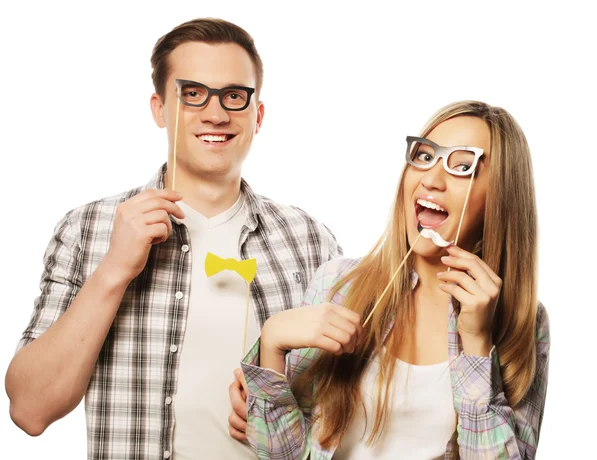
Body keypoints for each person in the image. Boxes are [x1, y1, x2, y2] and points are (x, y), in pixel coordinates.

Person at [5, 18, 342, 460]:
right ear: (160, 108)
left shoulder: (310, 241)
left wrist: (287, 412)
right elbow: (31, 410)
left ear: (257, 115)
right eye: (193, 93)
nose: (216, 113)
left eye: (234, 96)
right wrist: (114, 270)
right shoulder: (87, 229)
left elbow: (349, 411)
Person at [237, 101, 550, 459]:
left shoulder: (524, 319)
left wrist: (478, 343)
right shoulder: (338, 284)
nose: (431, 179)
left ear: (500, 199)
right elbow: (282, 454)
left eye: (463, 166)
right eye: (425, 156)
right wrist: (272, 343)